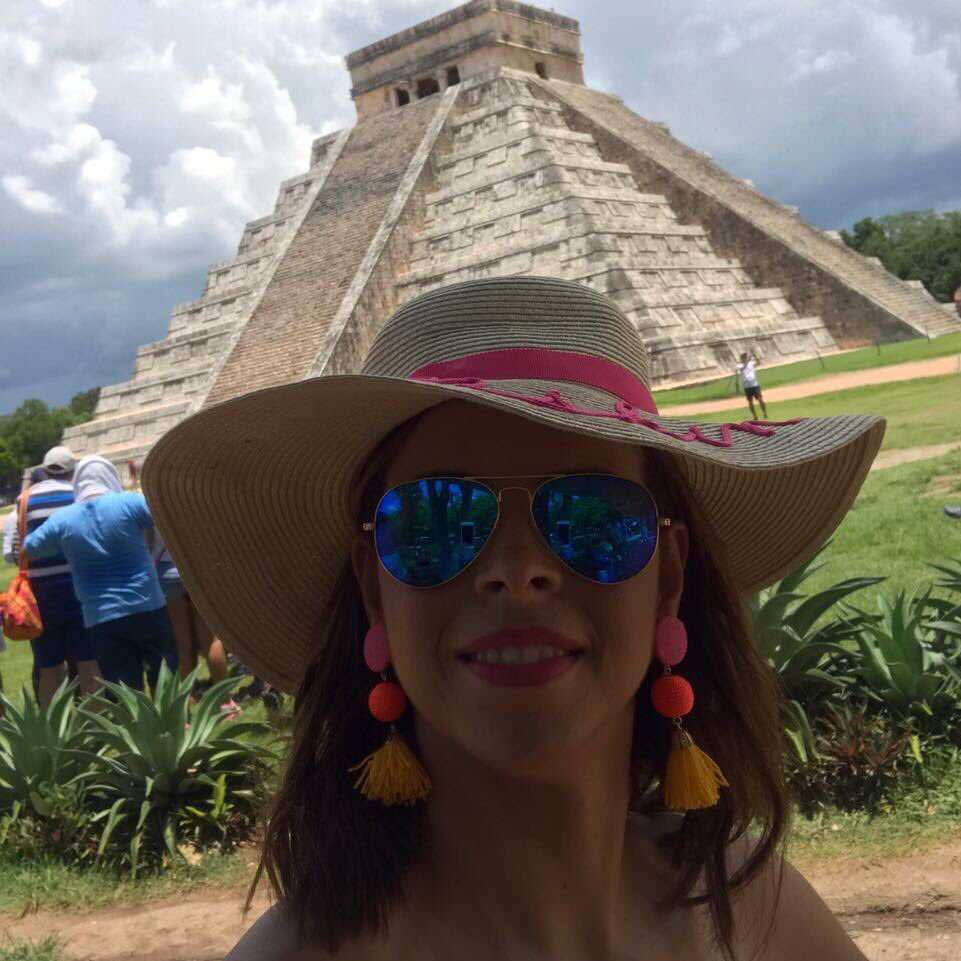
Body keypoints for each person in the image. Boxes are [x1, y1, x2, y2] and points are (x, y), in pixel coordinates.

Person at [143, 278, 881, 961]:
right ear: (373, 586)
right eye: (437, 519)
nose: (516, 569)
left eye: (591, 516)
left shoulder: (753, 909)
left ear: (668, 575)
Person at [24, 455, 176, 692]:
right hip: (146, 603)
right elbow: (167, 511)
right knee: (166, 677)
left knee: (124, 689)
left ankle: (135, 729)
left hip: (100, 615)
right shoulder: (128, 503)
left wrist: (64, 545)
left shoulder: (64, 519)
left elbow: (31, 546)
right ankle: (176, 725)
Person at [2, 450, 98, 706]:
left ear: (45, 469)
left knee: (49, 667)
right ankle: (98, 725)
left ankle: (53, 727)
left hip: (40, 595)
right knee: (88, 662)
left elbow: (17, 548)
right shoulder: (75, 496)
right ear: (71, 471)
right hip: (78, 588)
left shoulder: (25, 499)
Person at [153, 540, 240, 716]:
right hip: (195, 563)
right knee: (211, 640)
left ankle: (188, 697)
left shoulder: (149, 510)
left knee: (182, 642)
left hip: (166, 567)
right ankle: (225, 702)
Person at [733, 351, 768, 419]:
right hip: (747, 386)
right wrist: (747, 361)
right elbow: (741, 369)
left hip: (755, 385)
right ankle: (755, 415)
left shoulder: (751, 363)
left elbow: (759, 363)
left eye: (745, 357)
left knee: (760, 400)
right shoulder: (739, 365)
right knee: (750, 401)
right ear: (741, 358)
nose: (745, 358)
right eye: (743, 357)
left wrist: (755, 356)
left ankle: (764, 412)